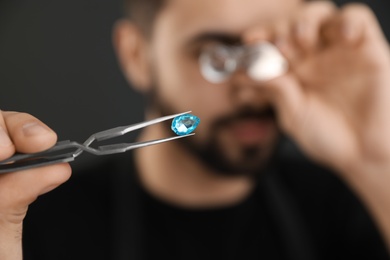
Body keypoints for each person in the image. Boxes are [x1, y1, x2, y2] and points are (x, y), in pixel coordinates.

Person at [1, 0, 390, 259]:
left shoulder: (351, 203)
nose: (251, 87)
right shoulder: (32, 223)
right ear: (136, 55)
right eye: (215, 56)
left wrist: (375, 161)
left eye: (268, 55)